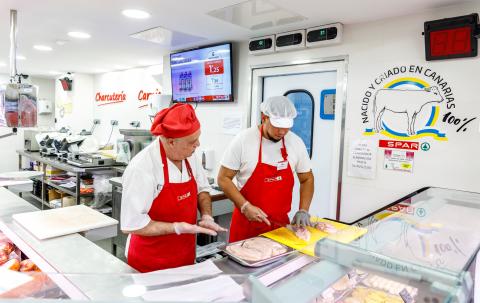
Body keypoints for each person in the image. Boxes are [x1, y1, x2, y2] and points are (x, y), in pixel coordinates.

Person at [121, 103, 226, 272]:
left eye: (198, 138)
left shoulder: (189, 156)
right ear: (171, 142)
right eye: (193, 141)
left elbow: (203, 189)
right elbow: (131, 224)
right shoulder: (142, 168)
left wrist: (207, 215)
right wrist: (175, 227)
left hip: (184, 255)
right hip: (150, 261)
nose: (198, 144)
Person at [218, 96, 314, 242]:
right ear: (264, 117)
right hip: (246, 225)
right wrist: (244, 206)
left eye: (286, 127)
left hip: (280, 226)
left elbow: (307, 178)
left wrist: (303, 210)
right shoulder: (243, 140)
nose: (282, 132)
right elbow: (223, 178)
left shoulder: (295, 142)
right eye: (277, 126)